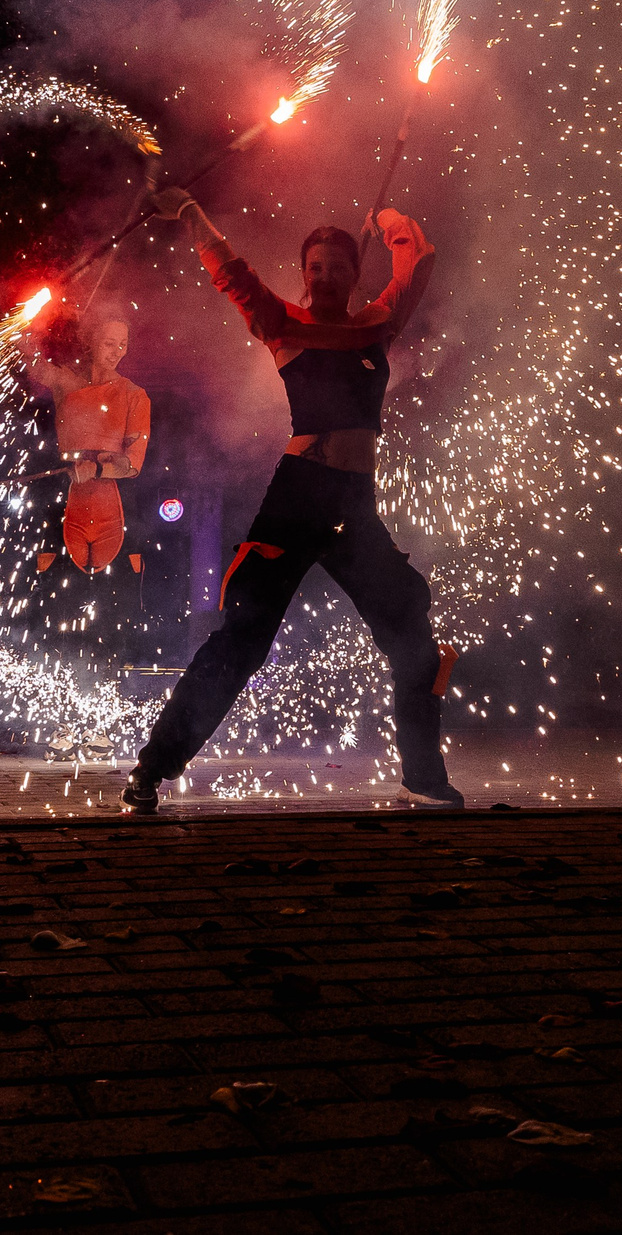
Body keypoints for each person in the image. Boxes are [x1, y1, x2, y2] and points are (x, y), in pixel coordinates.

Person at [122, 187, 462, 814]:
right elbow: (233, 274)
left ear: (355, 275)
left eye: (336, 267)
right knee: (243, 637)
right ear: (303, 279)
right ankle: (152, 769)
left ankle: (422, 774)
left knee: (411, 631)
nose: (324, 275)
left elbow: (420, 259)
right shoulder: (283, 323)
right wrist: (194, 213)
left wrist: (381, 217)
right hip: (297, 498)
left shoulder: (376, 325)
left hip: (352, 508)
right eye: (314, 268)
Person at [26, 317, 150, 572]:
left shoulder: (134, 394)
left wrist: (95, 470)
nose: (117, 352)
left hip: (115, 501)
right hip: (65, 490)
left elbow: (133, 463)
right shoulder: (67, 382)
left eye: (123, 344)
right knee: (52, 578)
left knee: (119, 586)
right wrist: (27, 333)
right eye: (109, 343)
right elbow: (35, 367)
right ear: (92, 342)